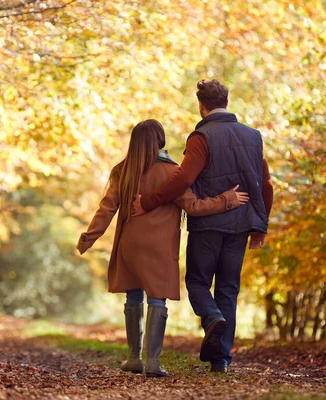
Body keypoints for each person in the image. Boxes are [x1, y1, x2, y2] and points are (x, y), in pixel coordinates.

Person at [77, 119, 249, 378]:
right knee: (157, 299)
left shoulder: (123, 171)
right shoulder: (173, 173)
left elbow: (106, 209)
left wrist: (88, 238)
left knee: (133, 296)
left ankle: (134, 358)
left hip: (129, 244)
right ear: (161, 140)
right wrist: (226, 200)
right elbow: (194, 207)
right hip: (159, 247)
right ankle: (153, 363)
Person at [132, 80, 274, 373]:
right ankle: (221, 360)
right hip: (241, 224)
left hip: (207, 225)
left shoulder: (202, 137)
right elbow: (266, 184)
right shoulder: (253, 137)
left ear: (201, 105)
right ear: (227, 100)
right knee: (228, 289)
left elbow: (183, 179)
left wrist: (148, 202)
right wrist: (261, 226)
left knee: (197, 282)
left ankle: (211, 318)